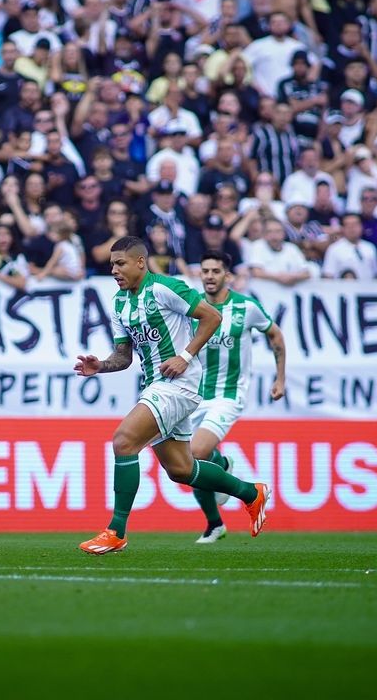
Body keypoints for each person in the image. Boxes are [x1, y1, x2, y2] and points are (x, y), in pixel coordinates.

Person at [73, 236, 269, 554]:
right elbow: (123, 357)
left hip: (180, 384)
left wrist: (186, 356)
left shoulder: (166, 287)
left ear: (140, 262)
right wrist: (101, 366)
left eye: (120, 263)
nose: (113, 270)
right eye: (111, 264)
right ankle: (251, 493)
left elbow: (212, 317)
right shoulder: (120, 303)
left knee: (124, 441)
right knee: (181, 469)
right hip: (155, 385)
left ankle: (116, 531)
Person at [187, 250, 286, 543]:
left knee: (196, 453)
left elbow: (275, 336)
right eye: (205, 271)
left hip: (228, 395)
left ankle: (225, 468)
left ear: (227, 275)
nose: (209, 276)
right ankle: (214, 523)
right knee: (186, 465)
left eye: (215, 271)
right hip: (193, 395)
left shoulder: (245, 306)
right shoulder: (192, 305)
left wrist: (280, 378)